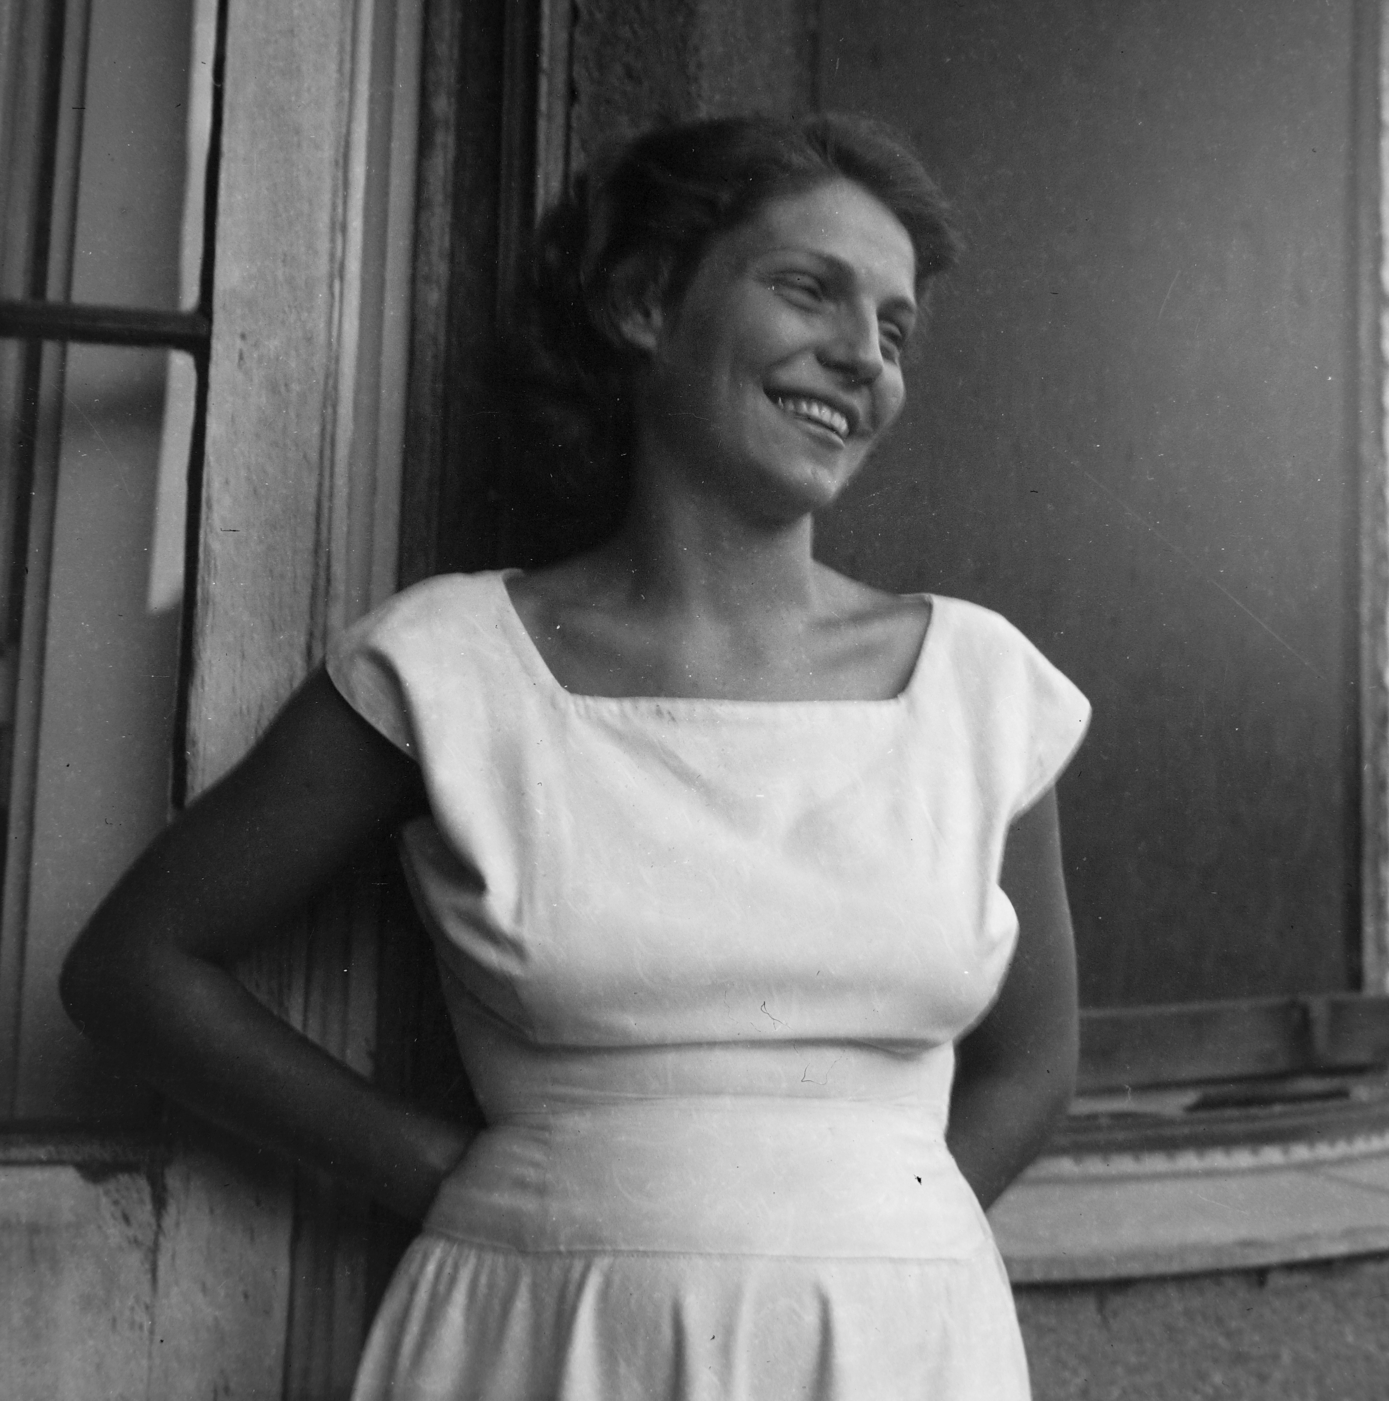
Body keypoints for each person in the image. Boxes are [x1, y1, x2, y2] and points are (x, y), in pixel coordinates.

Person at [61, 113, 1090, 1400]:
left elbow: (1035, 1062)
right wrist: (454, 1174)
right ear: (646, 301)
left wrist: (877, 1235)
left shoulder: (980, 686)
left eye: (893, 329)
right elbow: (134, 969)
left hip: (896, 1348)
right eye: (809, 289)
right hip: (548, 1331)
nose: (860, 356)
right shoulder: (451, 664)